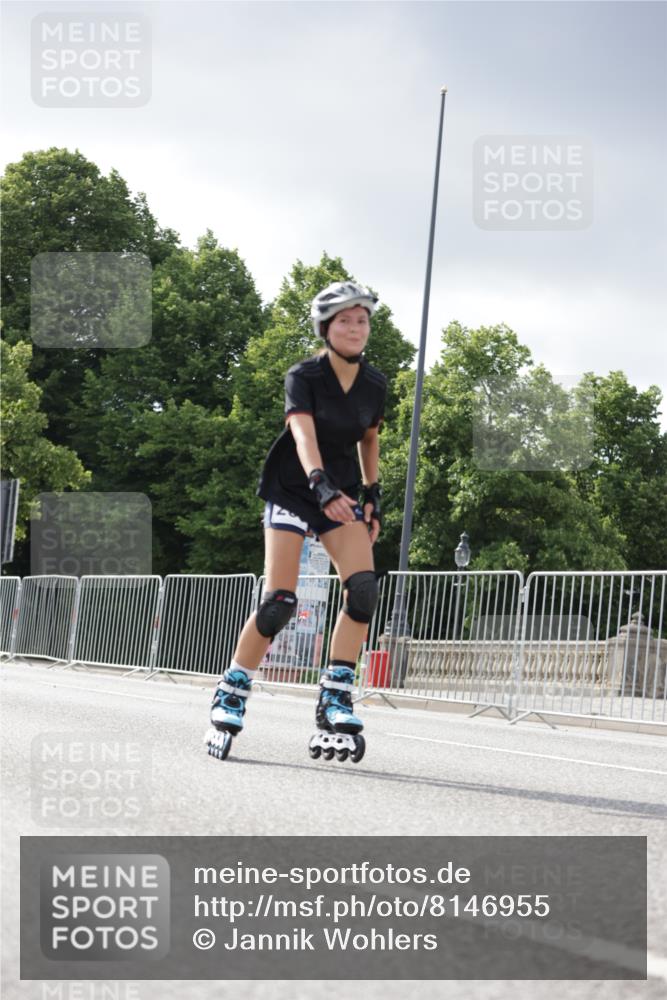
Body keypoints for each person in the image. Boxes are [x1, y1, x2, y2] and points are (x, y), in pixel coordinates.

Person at [205, 280, 387, 762]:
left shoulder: (375, 384)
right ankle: (232, 689)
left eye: (362, 319)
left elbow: (368, 440)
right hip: (294, 487)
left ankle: (334, 695)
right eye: (345, 320)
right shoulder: (303, 375)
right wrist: (320, 485)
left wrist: (371, 495)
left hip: (342, 490)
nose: (355, 327)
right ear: (326, 327)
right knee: (280, 601)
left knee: (364, 590)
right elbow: (303, 435)